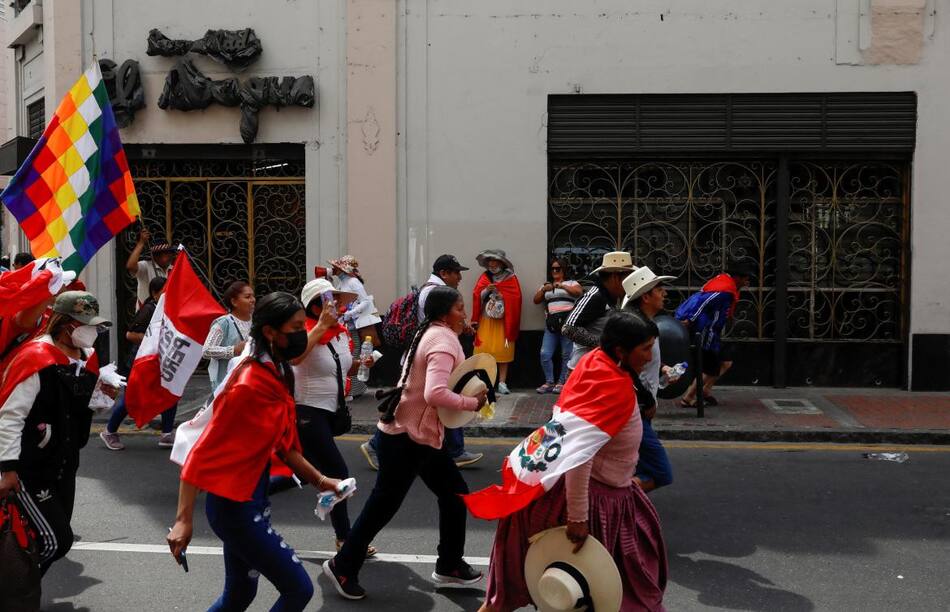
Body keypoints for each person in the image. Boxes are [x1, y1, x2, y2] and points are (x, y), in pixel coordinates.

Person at [475, 312, 668, 611]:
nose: (650, 355)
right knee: (604, 593)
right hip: (585, 500)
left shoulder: (594, 362)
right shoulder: (610, 385)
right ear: (621, 351)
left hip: (599, 490)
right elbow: (580, 453)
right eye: (645, 348)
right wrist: (578, 516)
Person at [166, 292, 344, 612]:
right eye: (295, 327)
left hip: (253, 498)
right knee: (298, 589)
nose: (303, 332)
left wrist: (321, 481)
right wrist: (183, 520)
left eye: (303, 324)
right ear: (270, 333)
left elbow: (285, 447)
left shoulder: (279, 371)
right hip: (235, 512)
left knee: (239, 596)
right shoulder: (248, 385)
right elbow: (200, 452)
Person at [324, 286, 488, 600]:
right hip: (407, 439)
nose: (465, 314)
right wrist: (472, 403)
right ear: (444, 313)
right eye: (460, 308)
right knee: (384, 505)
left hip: (417, 435)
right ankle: (343, 565)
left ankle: (450, 565)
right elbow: (435, 394)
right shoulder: (441, 340)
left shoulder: (432, 332)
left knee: (454, 495)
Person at [0, 291, 117, 576]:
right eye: (87, 324)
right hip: (31, 467)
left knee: (49, 535)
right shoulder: (35, 358)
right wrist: (8, 469)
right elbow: (11, 416)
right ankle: (15, 590)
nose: (94, 331)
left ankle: (21, 594)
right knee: (58, 541)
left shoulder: (86, 356)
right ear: (67, 324)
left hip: (64, 464)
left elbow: (85, 408)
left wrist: (105, 396)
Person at [360, 254, 484, 471]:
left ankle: (452, 450)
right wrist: (472, 403)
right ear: (444, 273)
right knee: (412, 403)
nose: (459, 278)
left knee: (415, 403)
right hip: (426, 357)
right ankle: (376, 444)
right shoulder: (433, 295)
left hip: (425, 355)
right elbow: (430, 324)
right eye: (456, 273)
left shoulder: (437, 295)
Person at [290, 277, 377, 557]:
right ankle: (345, 539)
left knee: (306, 474)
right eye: (331, 301)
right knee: (338, 473)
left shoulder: (339, 333)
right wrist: (321, 326)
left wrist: (362, 364)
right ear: (315, 306)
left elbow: (342, 369)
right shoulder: (304, 331)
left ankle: (250, 495)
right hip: (307, 411)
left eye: (338, 302)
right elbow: (295, 357)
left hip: (330, 411)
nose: (338, 306)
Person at [100, 277, 178, 450]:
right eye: (165, 291)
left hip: (160, 362)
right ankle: (109, 431)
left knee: (171, 392)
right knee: (132, 398)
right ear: (155, 293)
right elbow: (131, 335)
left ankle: (166, 433)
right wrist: (157, 340)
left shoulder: (167, 310)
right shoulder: (149, 310)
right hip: (141, 362)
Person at [622, 266, 678, 492]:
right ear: (646, 296)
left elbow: (640, 362)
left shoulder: (644, 324)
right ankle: (612, 502)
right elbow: (625, 369)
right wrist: (646, 401)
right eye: (659, 289)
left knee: (632, 464)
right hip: (635, 409)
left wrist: (662, 368)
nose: (664, 293)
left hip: (639, 407)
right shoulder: (637, 328)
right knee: (661, 472)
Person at [674, 261, 755, 407]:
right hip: (706, 330)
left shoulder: (727, 284)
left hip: (712, 330)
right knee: (711, 368)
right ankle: (688, 398)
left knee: (726, 362)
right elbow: (703, 303)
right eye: (745, 278)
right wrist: (690, 320)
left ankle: (705, 390)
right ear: (737, 277)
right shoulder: (724, 289)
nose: (747, 281)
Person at [561, 251, 635, 371]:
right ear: (615, 277)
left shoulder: (612, 298)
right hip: (583, 371)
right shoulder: (596, 296)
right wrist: (605, 345)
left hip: (599, 368)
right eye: (628, 278)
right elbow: (568, 328)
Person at [329, 255, 381, 399]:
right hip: (346, 325)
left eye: (335, 267)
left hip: (353, 325)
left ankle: (353, 389)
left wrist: (349, 314)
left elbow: (365, 302)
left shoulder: (353, 282)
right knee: (351, 353)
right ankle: (353, 388)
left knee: (354, 354)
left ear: (342, 269)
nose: (332, 269)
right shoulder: (343, 282)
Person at [471, 249, 522, 395]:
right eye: (489, 262)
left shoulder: (511, 278)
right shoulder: (485, 277)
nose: (492, 265)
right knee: (484, 350)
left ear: (501, 263)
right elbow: (477, 295)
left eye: (494, 262)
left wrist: (501, 294)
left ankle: (502, 382)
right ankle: (485, 382)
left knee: (503, 350)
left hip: (503, 321)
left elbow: (516, 297)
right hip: (486, 320)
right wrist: (486, 290)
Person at [533, 257, 582, 393]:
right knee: (545, 353)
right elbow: (536, 300)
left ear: (564, 270)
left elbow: (579, 292)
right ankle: (549, 382)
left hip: (568, 324)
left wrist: (563, 286)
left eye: (558, 268)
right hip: (552, 325)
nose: (555, 271)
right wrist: (544, 290)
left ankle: (562, 382)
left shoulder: (571, 283)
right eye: (553, 268)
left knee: (567, 354)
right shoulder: (547, 285)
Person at [203, 281, 255, 391]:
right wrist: (233, 350)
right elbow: (206, 350)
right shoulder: (223, 323)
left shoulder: (257, 321)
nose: (253, 300)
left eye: (253, 296)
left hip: (251, 379)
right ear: (234, 302)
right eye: (247, 297)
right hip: (227, 382)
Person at [125, 226, 175, 311]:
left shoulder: (174, 269)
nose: (167, 256)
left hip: (166, 313)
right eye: (163, 253)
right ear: (155, 256)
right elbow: (130, 266)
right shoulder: (146, 266)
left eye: (168, 252)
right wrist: (141, 243)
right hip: (148, 314)